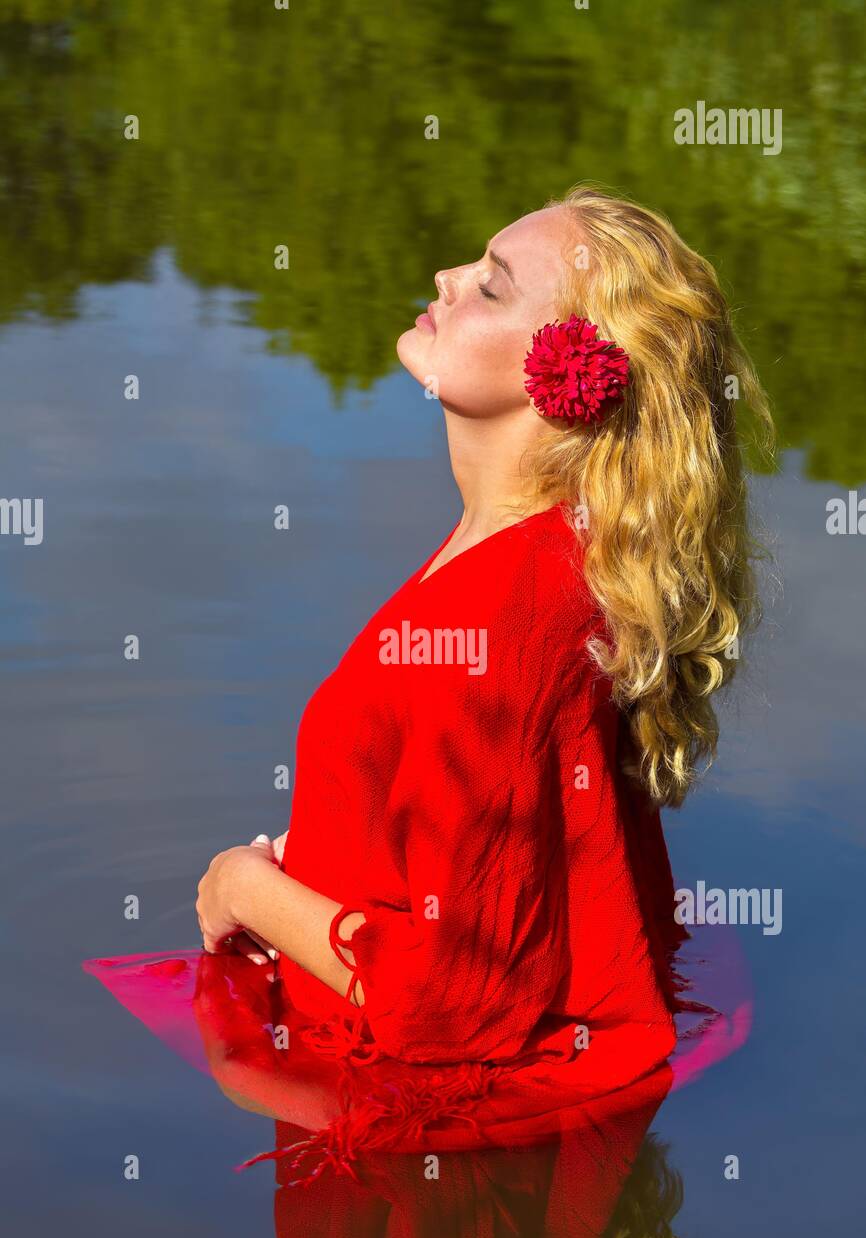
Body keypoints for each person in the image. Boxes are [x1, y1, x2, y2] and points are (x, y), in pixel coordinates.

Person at [194, 183, 771, 1121]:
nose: (447, 276)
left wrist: (245, 889)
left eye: (493, 286)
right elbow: (494, 828)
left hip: (419, 1149)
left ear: (570, 371)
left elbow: (445, 1006)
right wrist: (325, 855)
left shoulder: (499, 624)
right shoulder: (534, 547)